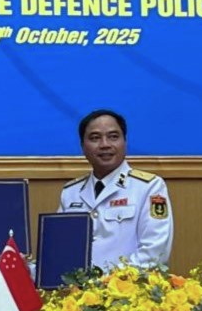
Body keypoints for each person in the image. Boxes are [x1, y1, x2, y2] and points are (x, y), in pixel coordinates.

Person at [58, 109, 173, 271]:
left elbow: (154, 253)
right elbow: (60, 251)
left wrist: (108, 281)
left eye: (113, 137)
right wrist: (30, 269)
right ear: (82, 146)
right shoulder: (70, 192)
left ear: (124, 142)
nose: (105, 144)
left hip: (129, 285)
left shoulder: (149, 187)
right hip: (78, 287)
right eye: (95, 138)